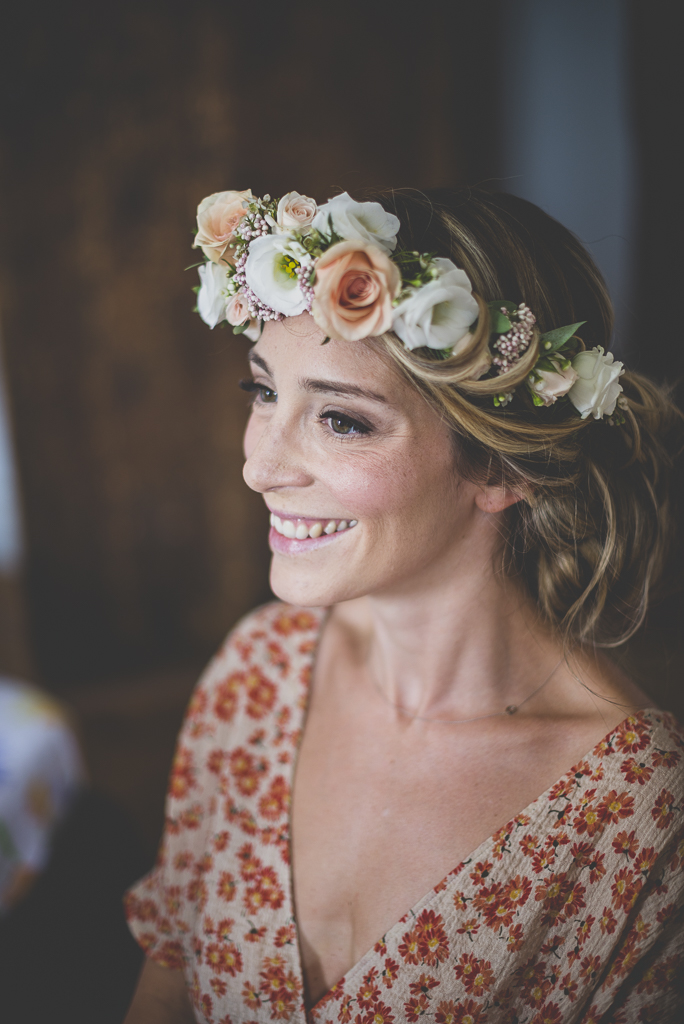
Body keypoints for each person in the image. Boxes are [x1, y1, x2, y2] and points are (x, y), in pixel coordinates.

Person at [123, 187, 684, 1023]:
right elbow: (168, 979)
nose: (261, 467)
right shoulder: (260, 669)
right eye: (264, 392)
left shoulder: (637, 806)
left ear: (501, 470)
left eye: (342, 421)